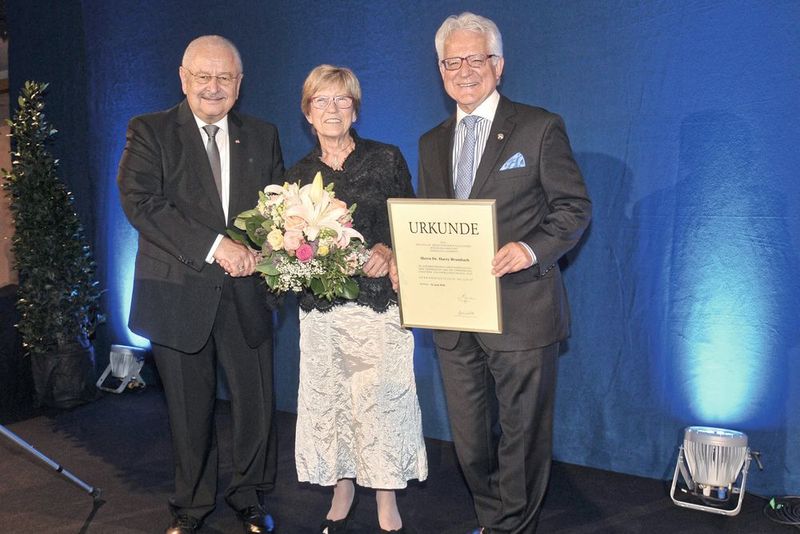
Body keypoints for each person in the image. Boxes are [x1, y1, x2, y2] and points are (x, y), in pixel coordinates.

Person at [414, 13, 592, 534]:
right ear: (440, 70)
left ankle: (512, 527)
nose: (464, 71)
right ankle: (493, 519)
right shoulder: (430, 141)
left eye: (476, 58)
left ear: (499, 64)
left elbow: (574, 208)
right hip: (453, 315)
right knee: (470, 441)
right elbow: (431, 222)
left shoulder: (539, 127)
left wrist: (530, 249)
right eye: (453, 62)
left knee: (522, 437)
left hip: (522, 309)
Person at [117, 35, 283, 534]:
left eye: (225, 77)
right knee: (189, 412)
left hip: (248, 292)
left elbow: (276, 208)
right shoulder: (149, 130)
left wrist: (275, 247)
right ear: (183, 78)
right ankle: (191, 506)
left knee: (255, 405)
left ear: (240, 82)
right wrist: (216, 246)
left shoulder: (263, 134)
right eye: (204, 76)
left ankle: (250, 495)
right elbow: (140, 202)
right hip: (178, 293)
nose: (214, 87)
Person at [285, 65, 427, 534]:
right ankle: (341, 486)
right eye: (321, 100)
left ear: (355, 110)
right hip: (323, 311)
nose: (332, 109)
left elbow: (409, 222)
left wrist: (387, 248)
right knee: (332, 403)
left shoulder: (386, 158)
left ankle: (386, 494)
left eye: (342, 100)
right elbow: (291, 245)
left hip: (378, 305)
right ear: (308, 112)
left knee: (381, 401)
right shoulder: (297, 176)